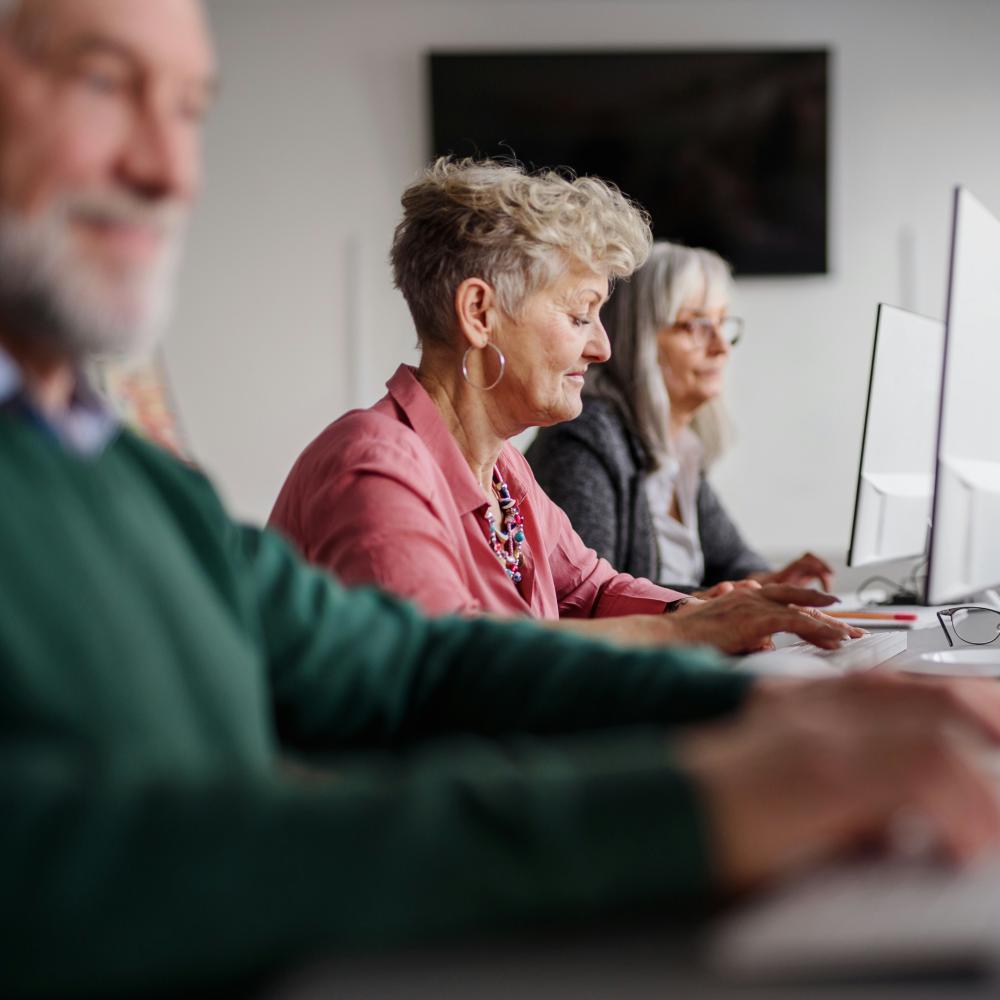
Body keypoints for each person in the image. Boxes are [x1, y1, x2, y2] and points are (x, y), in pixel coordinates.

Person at [3, 2, 1000, 998]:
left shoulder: (136, 481)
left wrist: (753, 700)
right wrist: (697, 792)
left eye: (188, 110)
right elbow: (122, 856)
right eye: (102, 80)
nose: (171, 170)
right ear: (482, 314)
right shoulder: (372, 467)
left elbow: (438, 651)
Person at [269, 160, 853, 655]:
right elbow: (447, 667)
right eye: (580, 315)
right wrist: (679, 632)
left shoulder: (504, 471)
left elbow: (592, 591)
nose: (601, 346)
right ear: (480, 314)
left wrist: (703, 610)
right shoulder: (372, 468)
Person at [527, 241, 835, 594]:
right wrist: (717, 604)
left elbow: (736, 562)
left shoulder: (682, 448)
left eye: (722, 323)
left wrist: (772, 584)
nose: (721, 346)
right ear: (637, 337)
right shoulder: (584, 440)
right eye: (694, 325)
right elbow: (586, 600)